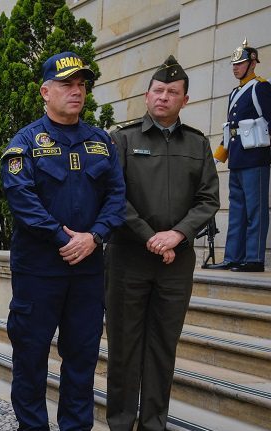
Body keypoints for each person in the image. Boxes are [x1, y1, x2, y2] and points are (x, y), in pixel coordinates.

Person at [0, 51, 126, 430]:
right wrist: (62, 238)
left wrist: (95, 237)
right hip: (39, 272)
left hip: (86, 272)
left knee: (82, 359)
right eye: (66, 84)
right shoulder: (25, 143)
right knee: (31, 359)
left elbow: (117, 196)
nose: (76, 91)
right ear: (45, 91)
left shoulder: (102, 142)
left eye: (81, 85)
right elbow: (21, 199)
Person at [105, 55, 220, 431]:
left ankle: (154, 423)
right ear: (146, 95)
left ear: (185, 100)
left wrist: (177, 234)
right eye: (158, 90)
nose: (164, 97)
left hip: (176, 263)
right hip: (128, 259)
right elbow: (113, 195)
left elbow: (208, 200)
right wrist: (150, 236)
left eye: (173, 92)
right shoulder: (123, 139)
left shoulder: (198, 144)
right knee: (123, 347)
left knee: (162, 347)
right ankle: (121, 422)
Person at [208, 39, 271, 272]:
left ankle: (254, 259)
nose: (235, 67)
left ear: (252, 64)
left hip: (256, 158)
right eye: (234, 64)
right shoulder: (235, 93)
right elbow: (230, 130)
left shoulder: (260, 87)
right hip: (237, 159)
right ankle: (233, 257)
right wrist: (216, 157)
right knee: (237, 211)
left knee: (256, 210)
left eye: (240, 63)